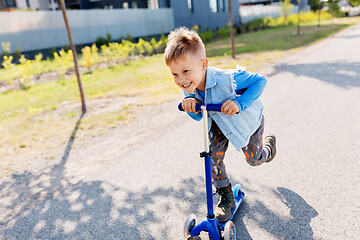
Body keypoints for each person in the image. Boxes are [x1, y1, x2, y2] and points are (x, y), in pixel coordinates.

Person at [164, 27, 276, 222]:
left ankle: (268, 149)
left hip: (245, 122)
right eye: (175, 74)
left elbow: (260, 80)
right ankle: (226, 196)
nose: (181, 80)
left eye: (185, 71)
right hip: (218, 124)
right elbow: (199, 117)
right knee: (212, 158)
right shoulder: (188, 89)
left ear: (204, 64)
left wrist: (239, 103)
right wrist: (191, 108)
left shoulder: (228, 79)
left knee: (254, 160)